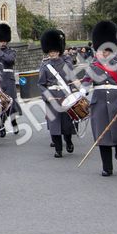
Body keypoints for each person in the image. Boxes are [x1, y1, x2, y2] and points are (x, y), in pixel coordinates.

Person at [83, 22, 117, 177]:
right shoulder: (93, 66)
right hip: (100, 104)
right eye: (102, 51)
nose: (104, 54)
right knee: (102, 136)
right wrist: (83, 89)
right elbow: (86, 80)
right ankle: (107, 167)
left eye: (107, 51)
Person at [38, 28, 76, 158]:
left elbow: (71, 77)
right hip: (51, 97)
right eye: (50, 51)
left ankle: (69, 141)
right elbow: (41, 84)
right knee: (54, 125)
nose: (52, 53)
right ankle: (58, 149)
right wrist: (47, 97)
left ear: (58, 51)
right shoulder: (45, 65)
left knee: (66, 123)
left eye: (54, 51)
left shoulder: (66, 63)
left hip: (65, 96)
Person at [0, 23, 20, 135]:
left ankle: (14, 123)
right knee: (0, 104)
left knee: (11, 104)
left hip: (9, 80)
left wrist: (0, 53)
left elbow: (10, 60)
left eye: (4, 41)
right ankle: (1, 125)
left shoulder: (11, 51)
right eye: (1, 41)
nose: (3, 43)